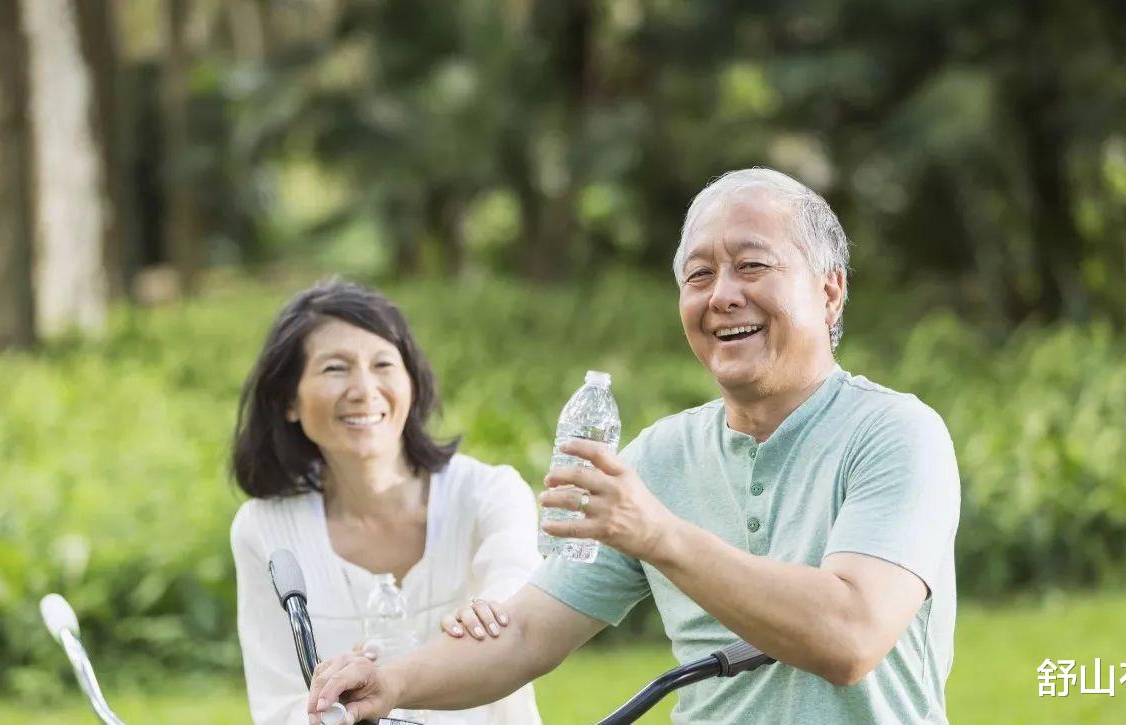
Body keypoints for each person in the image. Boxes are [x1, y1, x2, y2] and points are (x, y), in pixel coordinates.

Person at [307, 168, 961, 724]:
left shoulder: (897, 434)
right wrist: (394, 684)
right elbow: (531, 630)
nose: (723, 294)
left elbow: (850, 634)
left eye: (752, 265)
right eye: (699, 275)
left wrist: (658, 534)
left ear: (829, 289)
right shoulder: (660, 457)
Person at [229, 280, 543, 725]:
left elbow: (511, 623)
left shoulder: (491, 495)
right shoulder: (263, 528)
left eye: (382, 364)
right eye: (335, 368)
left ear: (411, 382)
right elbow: (277, 704)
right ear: (288, 401)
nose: (364, 388)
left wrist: (389, 680)